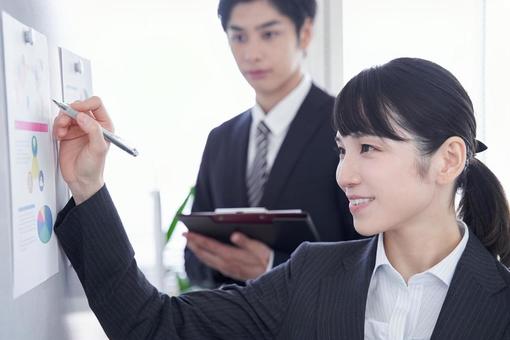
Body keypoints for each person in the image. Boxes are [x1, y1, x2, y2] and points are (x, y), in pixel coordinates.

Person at [54, 58, 510, 340]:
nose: (343, 174)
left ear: (448, 160)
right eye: (341, 150)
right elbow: (152, 327)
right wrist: (88, 186)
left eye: (368, 148)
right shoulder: (311, 276)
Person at [184, 0, 358, 287]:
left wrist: (270, 266)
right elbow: (192, 260)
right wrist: (229, 264)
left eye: (269, 34)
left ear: (304, 33)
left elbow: (369, 252)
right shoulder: (220, 139)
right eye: (239, 37)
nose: (251, 54)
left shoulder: (347, 126)